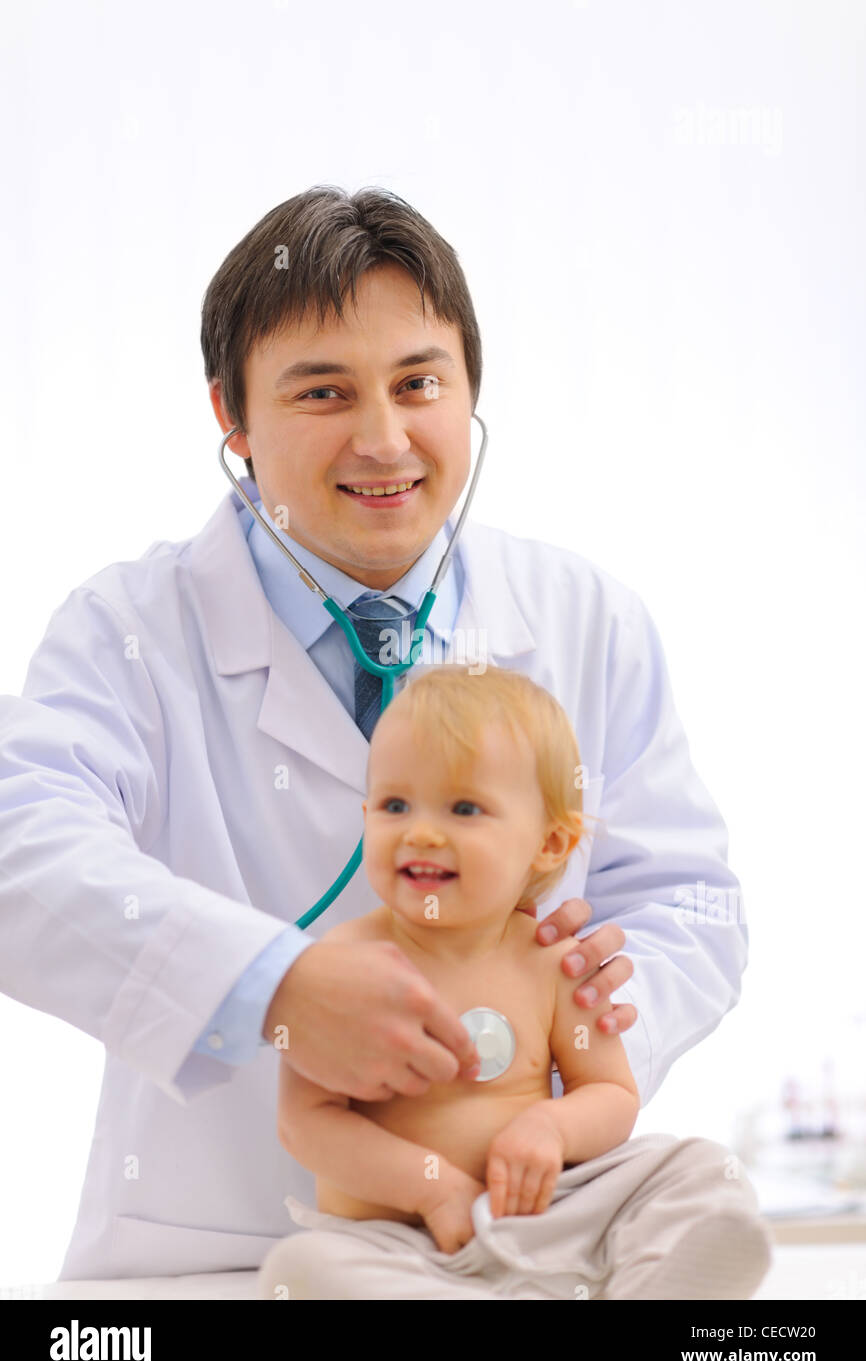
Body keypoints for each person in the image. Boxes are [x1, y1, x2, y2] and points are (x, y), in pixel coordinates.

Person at [0, 185, 747, 1281]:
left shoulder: (585, 619)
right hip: (215, 1248)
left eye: (417, 384)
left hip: (510, 1229)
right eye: (323, 392)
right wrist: (273, 989)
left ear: (468, 392)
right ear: (232, 419)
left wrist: (571, 1023)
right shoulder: (129, 630)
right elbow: (21, 851)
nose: (382, 438)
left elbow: (688, 898)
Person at [259, 664, 772, 1300]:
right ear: (366, 816)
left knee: (697, 1170)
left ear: (551, 843)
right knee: (304, 1271)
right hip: (398, 1246)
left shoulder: (552, 962)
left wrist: (553, 1128)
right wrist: (432, 1187)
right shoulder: (341, 966)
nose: (419, 830)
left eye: (464, 807)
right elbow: (306, 1122)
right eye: (395, 805)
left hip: (548, 1216)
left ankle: (649, 1284)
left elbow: (610, 1093)